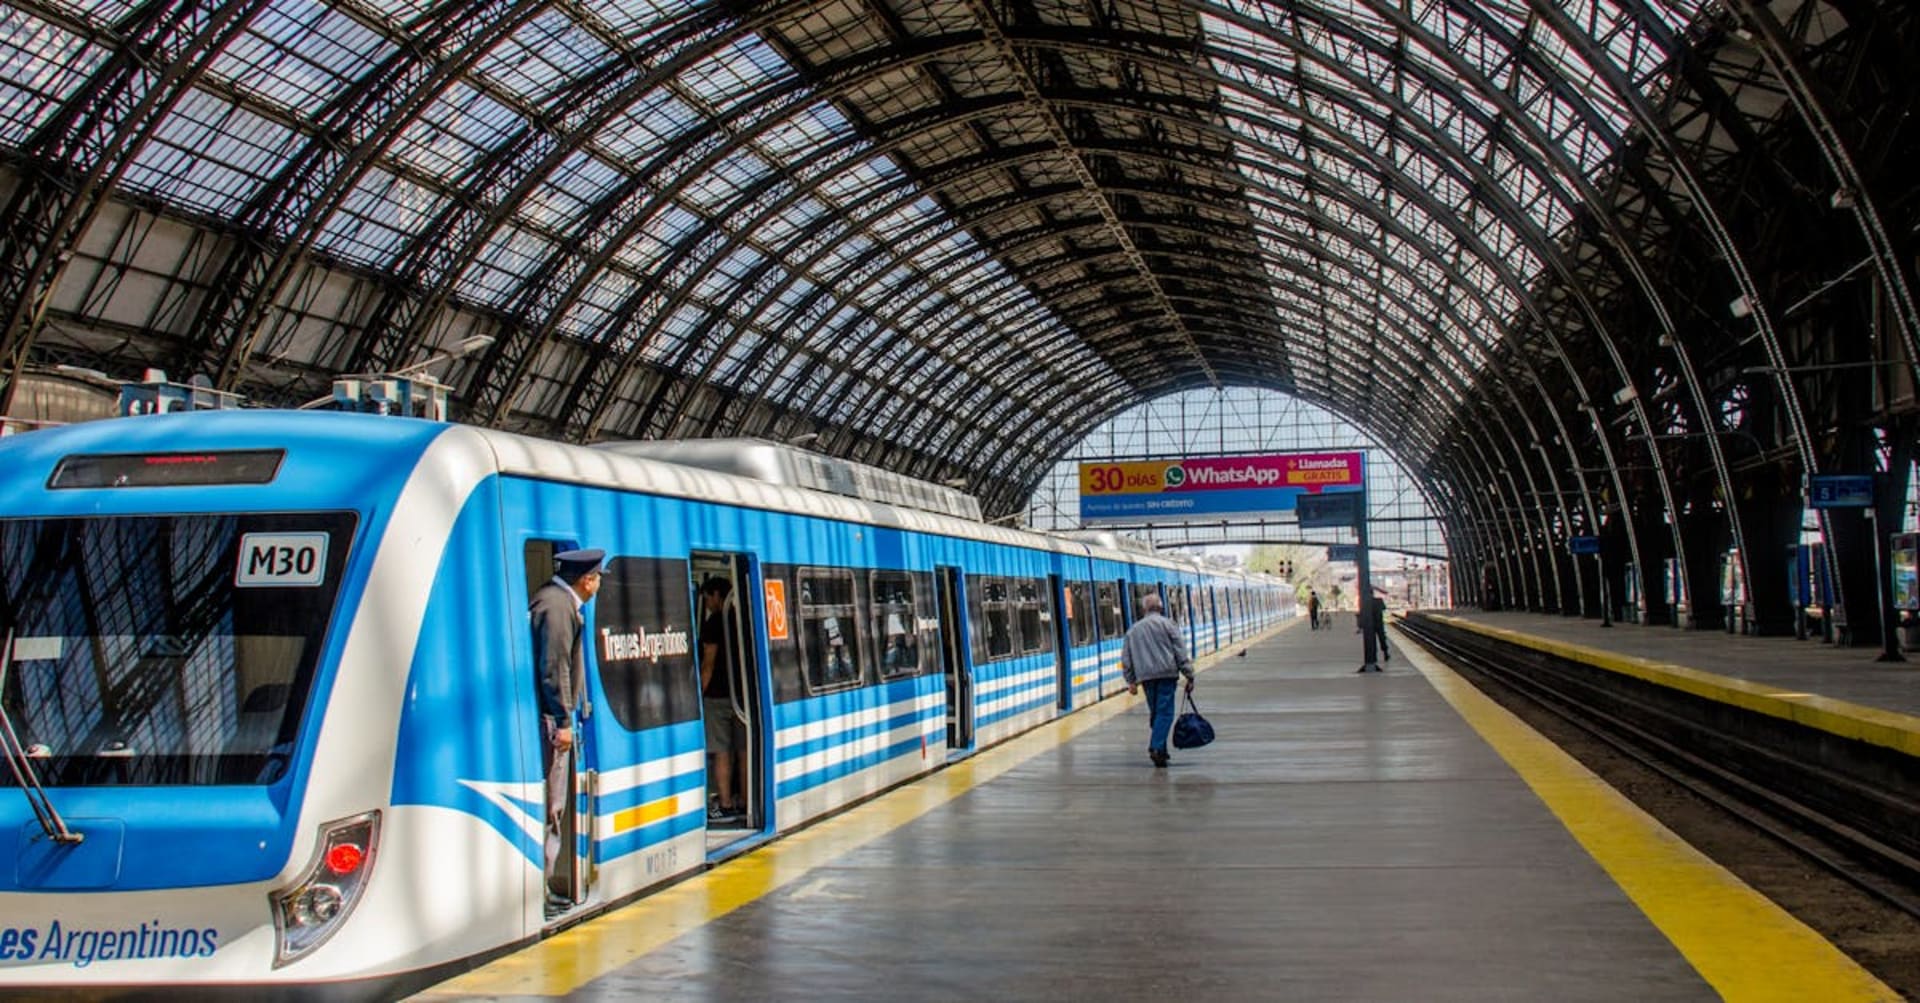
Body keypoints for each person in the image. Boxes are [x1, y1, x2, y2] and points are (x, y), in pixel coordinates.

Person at [531, 547, 602, 918]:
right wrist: (562, 721)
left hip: (550, 718)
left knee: (552, 808)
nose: (599, 584)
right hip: (551, 723)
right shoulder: (559, 607)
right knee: (552, 807)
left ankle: (543, 887)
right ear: (587, 579)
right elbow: (554, 666)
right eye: (599, 577)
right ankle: (541, 892)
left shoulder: (553, 601)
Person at [1122, 593, 1194, 768]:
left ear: (1145, 609)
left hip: (1146, 677)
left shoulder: (1134, 629)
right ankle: (1155, 747)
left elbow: (1126, 656)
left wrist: (1130, 680)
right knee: (1165, 713)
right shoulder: (1169, 625)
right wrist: (1189, 674)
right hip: (1166, 674)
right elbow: (1180, 651)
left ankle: (1161, 751)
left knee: (1156, 712)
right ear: (1160, 608)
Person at [699, 577, 742, 821]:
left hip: (717, 697)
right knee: (743, 750)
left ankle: (724, 803)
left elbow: (708, 664)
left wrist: (699, 694)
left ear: (717, 595)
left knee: (722, 751)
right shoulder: (744, 617)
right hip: (744, 699)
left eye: (707, 597)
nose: (706, 604)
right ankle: (744, 800)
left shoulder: (715, 622)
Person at [1370, 591, 1391, 661]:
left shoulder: (1366, 602)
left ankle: (1374, 656)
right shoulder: (1379, 600)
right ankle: (1385, 653)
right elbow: (1384, 608)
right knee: (1382, 638)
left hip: (1370, 624)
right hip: (1379, 623)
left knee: (1372, 640)